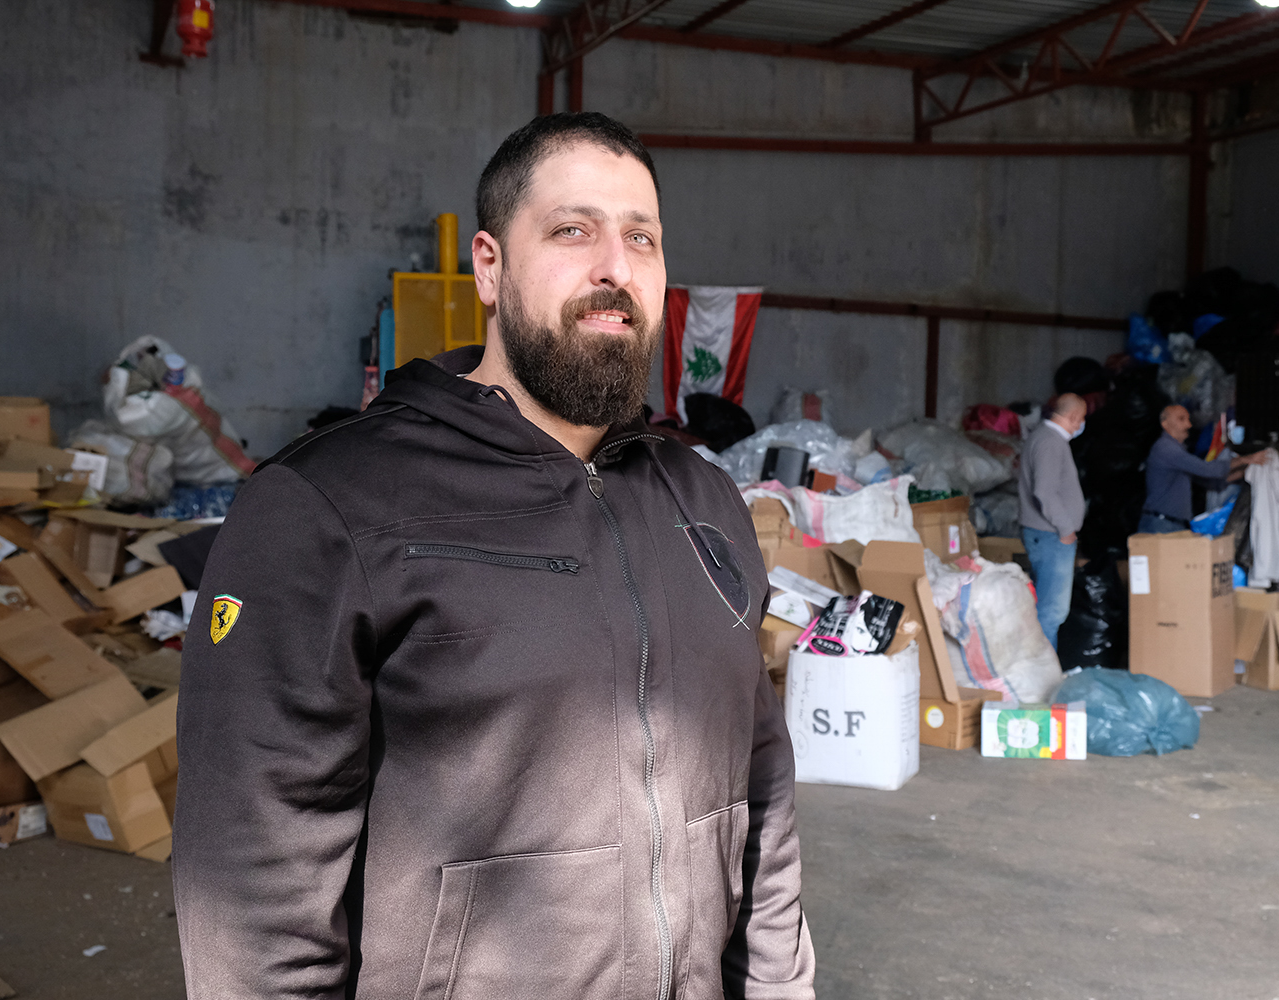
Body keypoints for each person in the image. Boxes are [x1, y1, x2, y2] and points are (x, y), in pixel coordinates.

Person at [172, 113, 815, 1000]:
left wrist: (780, 988)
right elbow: (253, 879)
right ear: (489, 265)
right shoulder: (330, 506)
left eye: (642, 238)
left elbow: (762, 789)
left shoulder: (703, 502)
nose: (614, 269)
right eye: (572, 230)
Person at [1017, 393, 1087, 649]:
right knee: (1052, 611)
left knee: (1048, 607)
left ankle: (1043, 670)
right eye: (1082, 418)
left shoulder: (1046, 438)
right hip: (1051, 534)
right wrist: (1066, 529)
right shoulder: (1050, 442)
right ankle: (1046, 676)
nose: (1081, 425)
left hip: (1047, 533)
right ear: (1073, 417)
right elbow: (1044, 492)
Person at [1138, 404, 1264, 533]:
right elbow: (1207, 470)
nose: (1188, 425)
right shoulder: (1166, 449)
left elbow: (1207, 480)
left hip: (1169, 524)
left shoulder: (1176, 451)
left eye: (1188, 419)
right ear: (1165, 424)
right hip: (1161, 526)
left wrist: (1245, 472)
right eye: (1181, 419)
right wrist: (1246, 459)